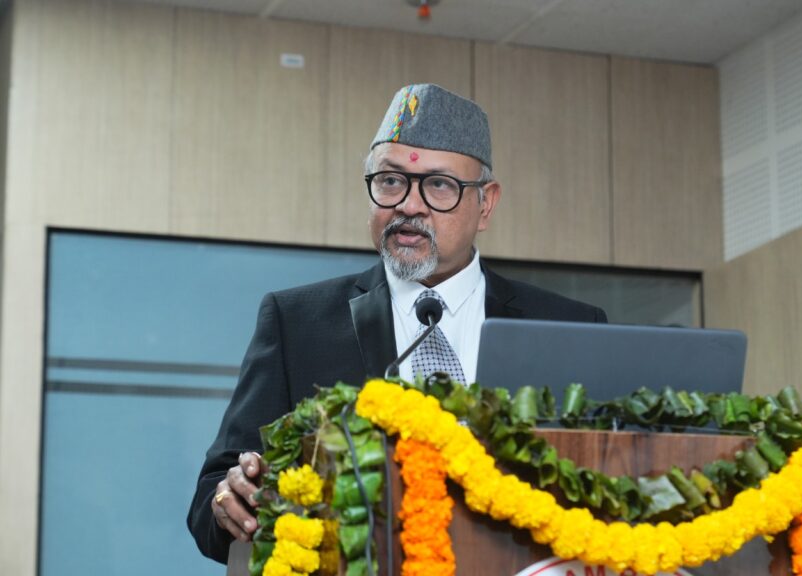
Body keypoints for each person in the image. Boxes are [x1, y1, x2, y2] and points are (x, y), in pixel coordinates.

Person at [187, 84, 607, 563]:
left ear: (486, 204)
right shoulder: (297, 322)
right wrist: (232, 499)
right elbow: (211, 504)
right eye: (390, 181)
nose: (409, 205)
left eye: (440, 185)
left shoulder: (570, 327)